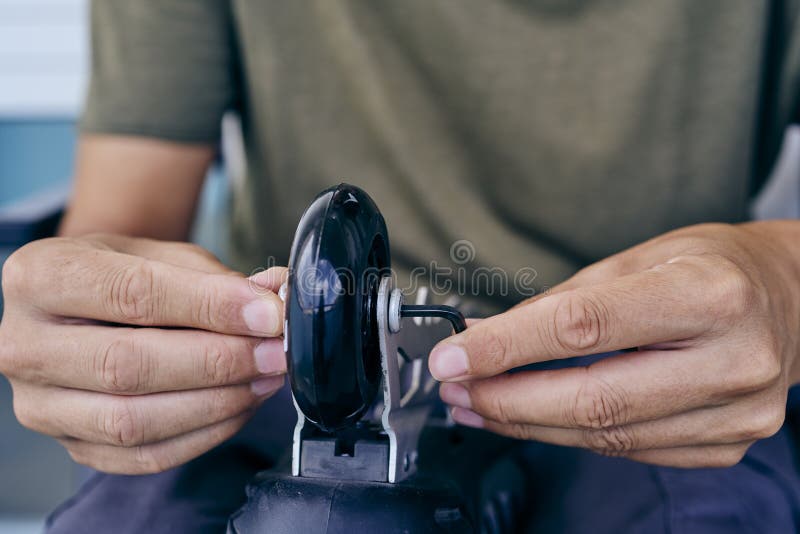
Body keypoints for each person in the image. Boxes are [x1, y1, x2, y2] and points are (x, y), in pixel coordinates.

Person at [1, 1, 800, 532]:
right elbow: (123, 230)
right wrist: (96, 330)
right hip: (276, 370)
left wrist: (784, 284)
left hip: (663, 377)